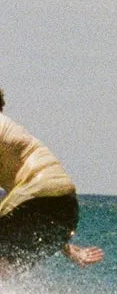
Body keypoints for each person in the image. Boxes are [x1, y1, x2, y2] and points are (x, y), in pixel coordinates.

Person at [0, 89, 101, 268]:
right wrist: (68, 249)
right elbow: (35, 210)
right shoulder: (12, 138)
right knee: (7, 264)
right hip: (66, 211)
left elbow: (36, 199)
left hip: (37, 199)